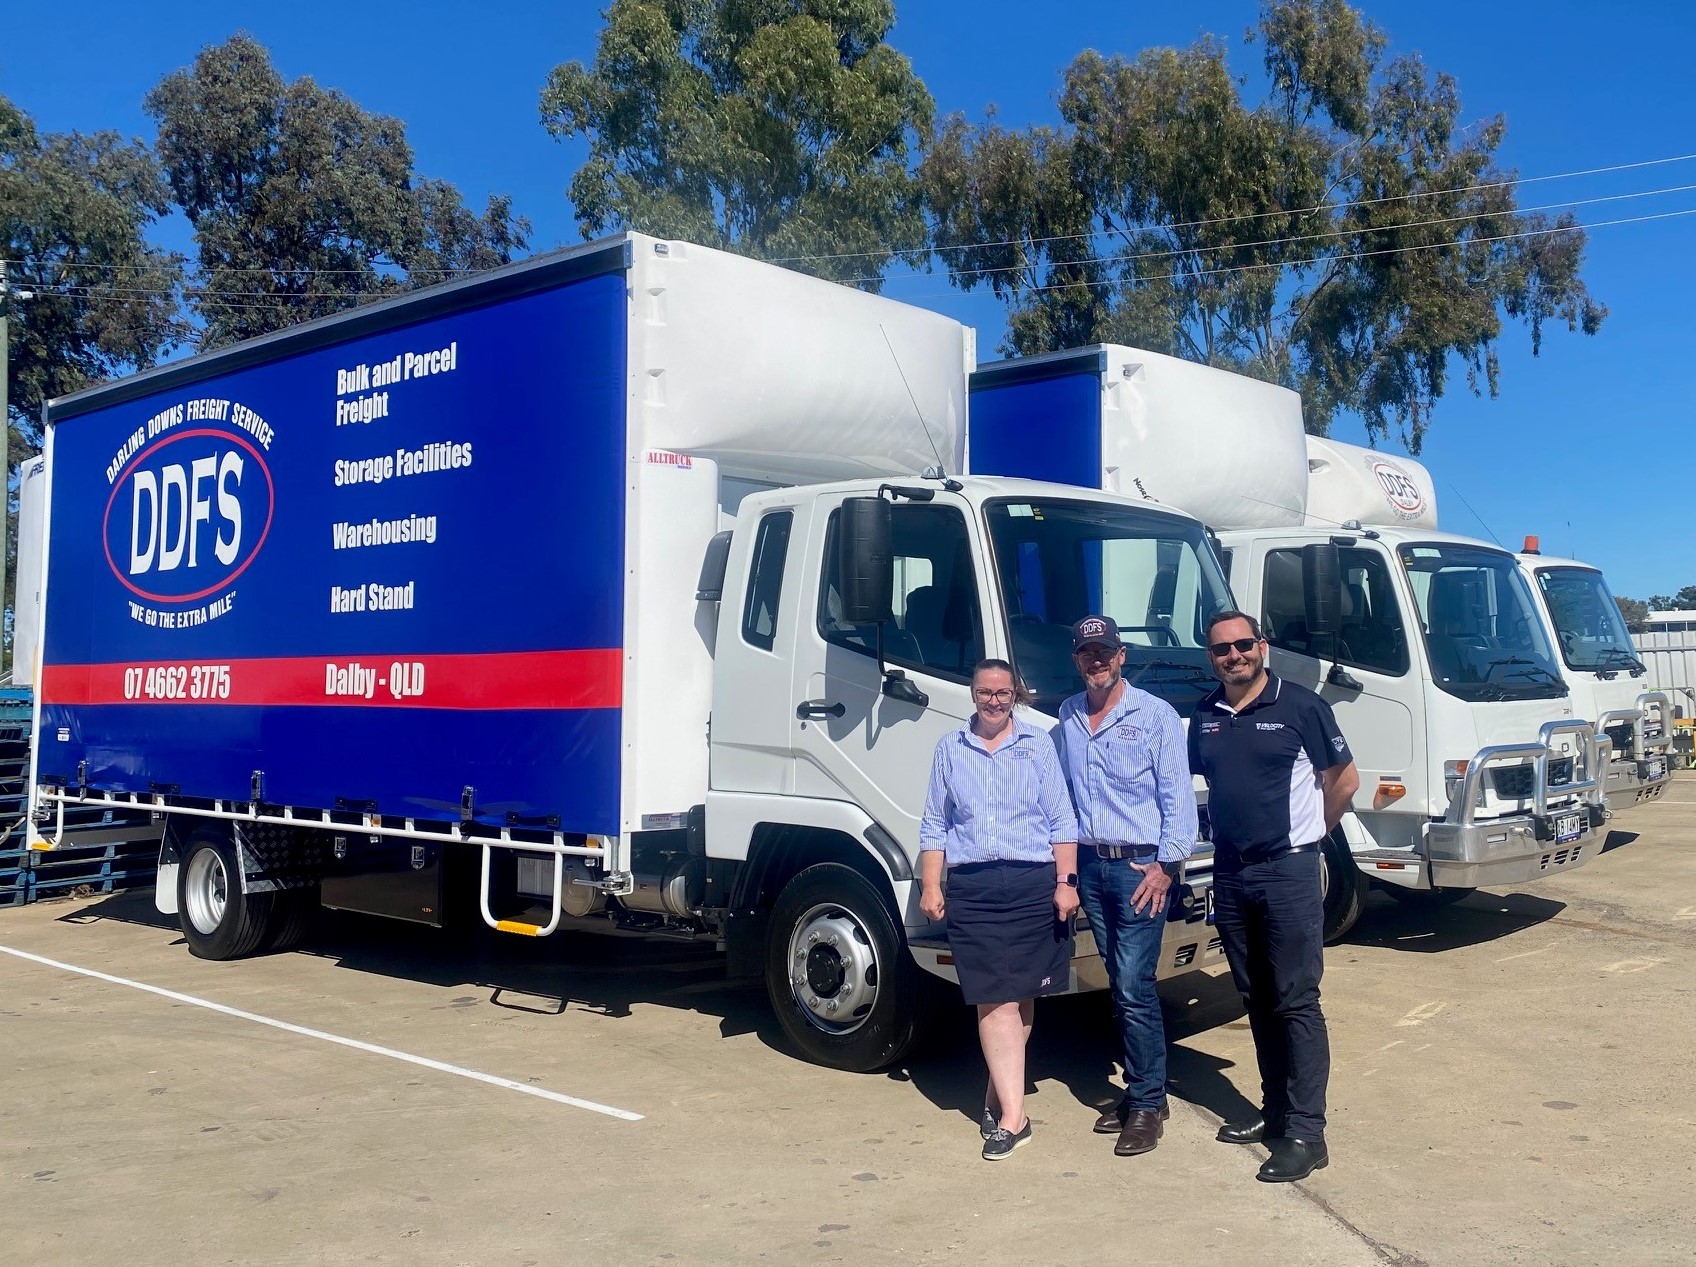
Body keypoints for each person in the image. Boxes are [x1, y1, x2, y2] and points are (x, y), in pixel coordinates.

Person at [1188, 610, 1360, 1183]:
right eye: (1221, 650)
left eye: (1242, 645)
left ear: (1261, 646)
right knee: (1256, 996)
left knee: (1295, 999)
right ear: (1211, 658)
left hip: (1287, 871)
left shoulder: (1302, 706)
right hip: (1231, 872)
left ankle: (1308, 1134)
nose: (1232, 656)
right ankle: (1275, 1112)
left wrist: (1312, 838)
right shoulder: (1206, 716)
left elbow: (1345, 780)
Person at [919, 658, 1080, 1161]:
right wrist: (931, 883)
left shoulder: (1037, 745)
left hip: (1033, 882)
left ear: (1016, 695)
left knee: (1022, 992)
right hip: (974, 885)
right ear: (972, 694)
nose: (994, 700)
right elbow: (934, 822)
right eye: (986, 692)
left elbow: (1062, 819)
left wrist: (1066, 883)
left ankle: (998, 1094)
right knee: (995, 997)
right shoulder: (950, 747)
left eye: (1003, 692)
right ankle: (1016, 1116)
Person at [1054, 615, 1198, 1158]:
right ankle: (1149, 1091)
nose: (1097, 661)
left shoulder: (1155, 715)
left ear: (1122, 657)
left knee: (1135, 985)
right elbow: (1056, 788)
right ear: (1078, 659)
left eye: (1105, 652)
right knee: (1120, 981)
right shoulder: (1067, 715)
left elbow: (1176, 798)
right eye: (1087, 653)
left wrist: (1167, 866)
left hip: (1141, 869)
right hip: (1091, 866)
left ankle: (1144, 1105)